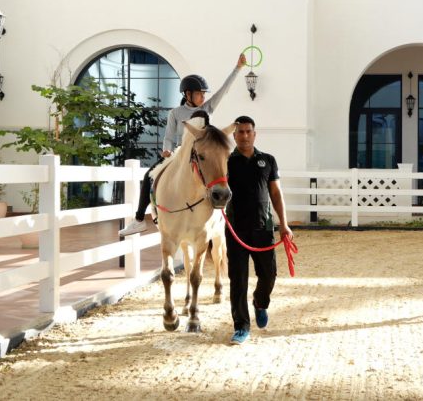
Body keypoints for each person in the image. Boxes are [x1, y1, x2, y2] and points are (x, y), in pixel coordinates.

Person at [119, 53, 246, 236]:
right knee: (149, 175)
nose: (203, 97)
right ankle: (139, 219)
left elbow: (223, 91)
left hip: (202, 154)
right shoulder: (175, 113)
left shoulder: (207, 108)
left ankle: (227, 213)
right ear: (188, 94)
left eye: (203, 94)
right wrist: (166, 150)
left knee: (222, 175)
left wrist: (238, 68)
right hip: (179, 153)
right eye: (199, 94)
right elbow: (169, 136)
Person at [224, 115, 293, 345]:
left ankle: (260, 303)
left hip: (263, 228)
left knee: (269, 275)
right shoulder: (226, 162)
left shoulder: (268, 160)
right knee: (238, 280)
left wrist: (283, 224)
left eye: (248, 131)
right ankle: (241, 326)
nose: (244, 135)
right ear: (234, 136)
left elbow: (275, 193)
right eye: (240, 132)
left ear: (255, 134)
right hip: (236, 230)